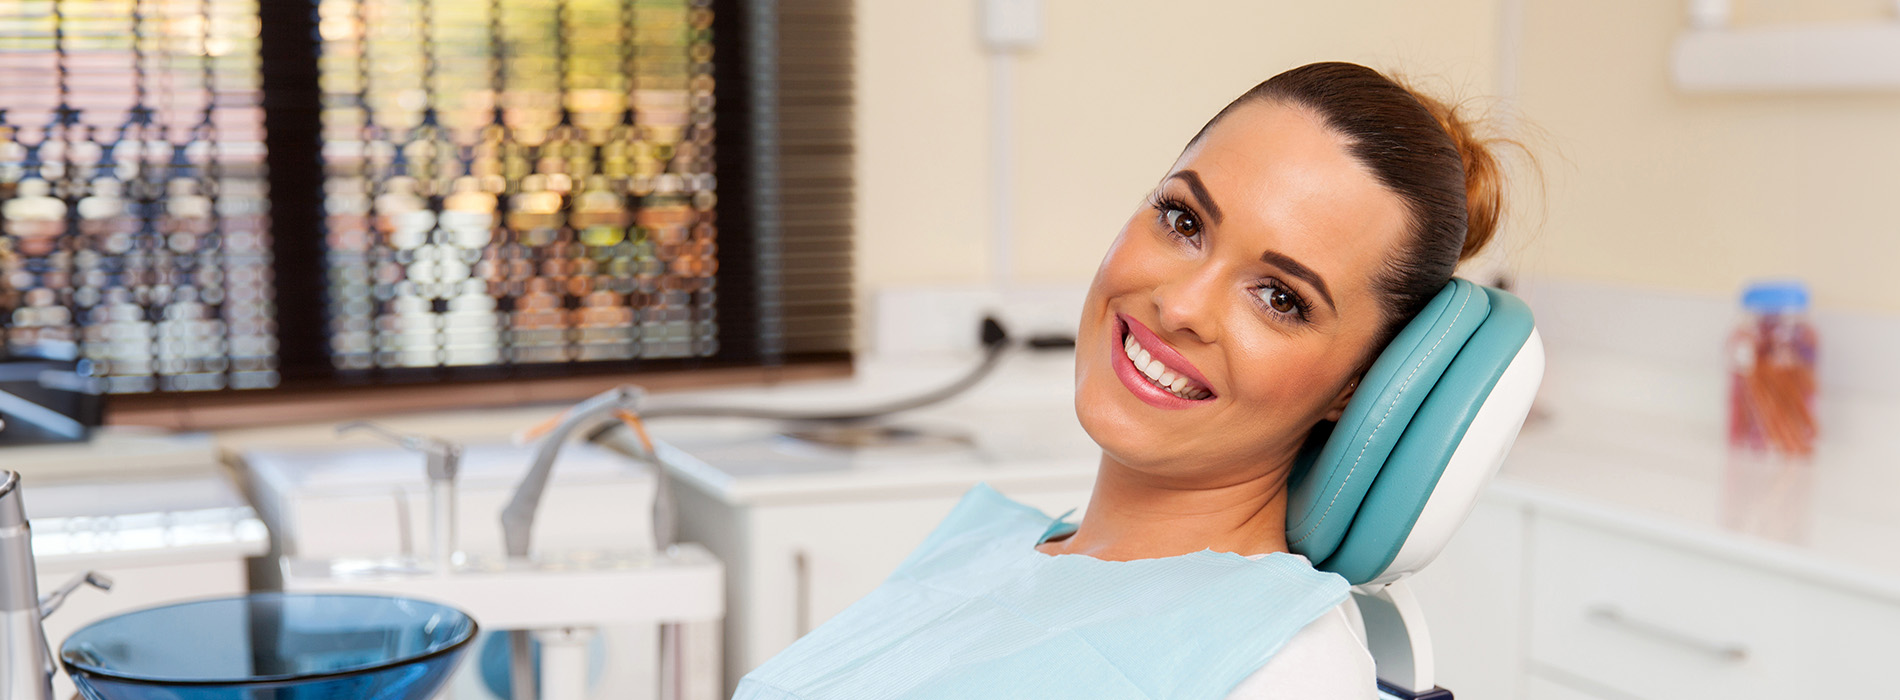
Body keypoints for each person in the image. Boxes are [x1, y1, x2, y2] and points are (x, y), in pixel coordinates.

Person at [734, 61, 1516, 700]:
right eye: (1184, 221)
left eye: (1280, 298)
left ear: (1358, 384)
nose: (1181, 305)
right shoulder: (994, 550)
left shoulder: (1277, 669)